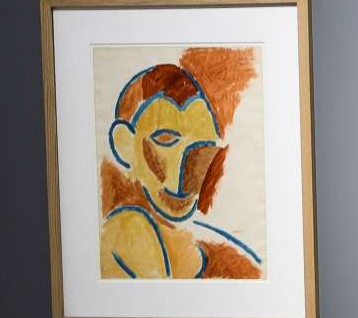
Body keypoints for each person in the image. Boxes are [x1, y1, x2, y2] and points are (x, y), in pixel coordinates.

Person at [100, 63, 261, 279]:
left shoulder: (206, 246)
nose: (189, 169)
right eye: (166, 140)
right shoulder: (129, 232)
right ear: (125, 145)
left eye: (203, 146)